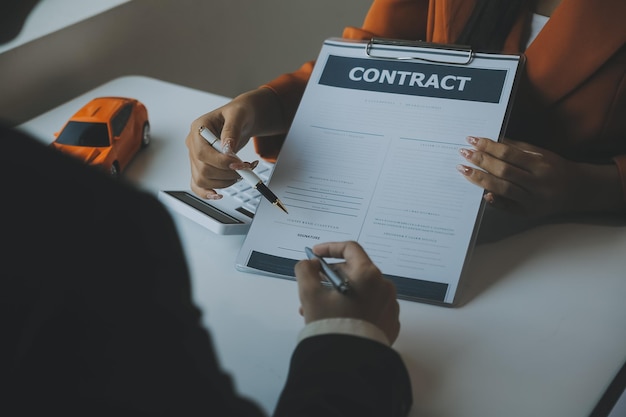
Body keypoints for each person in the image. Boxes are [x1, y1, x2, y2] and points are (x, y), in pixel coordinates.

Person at [0, 2, 412, 416]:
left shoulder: (74, 216)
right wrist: (349, 337)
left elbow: (385, 63)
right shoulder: (97, 225)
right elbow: (372, 60)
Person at [186, 0, 626, 219]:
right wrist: (259, 106)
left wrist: (589, 187)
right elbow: (368, 65)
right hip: (419, 213)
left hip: (580, 240)